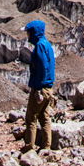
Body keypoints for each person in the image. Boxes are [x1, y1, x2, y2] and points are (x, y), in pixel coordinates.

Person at [22, 19, 55, 153]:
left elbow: (42, 67)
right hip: (48, 87)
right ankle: (46, 146)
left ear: (34, 32)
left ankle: (29, 147)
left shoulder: (40, 46)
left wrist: (38, 89)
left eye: (28, 32)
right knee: (44, 117)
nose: (27, 35)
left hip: (40, 88)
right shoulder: (46, 45)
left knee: (31, 118)